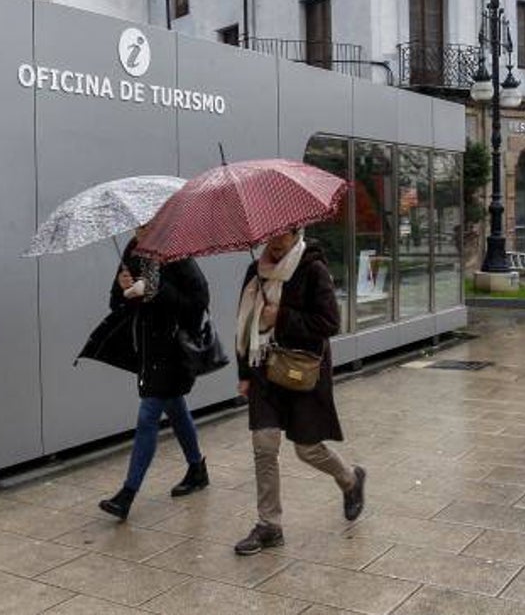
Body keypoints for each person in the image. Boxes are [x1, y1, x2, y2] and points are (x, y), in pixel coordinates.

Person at [233, 228, 364, 556]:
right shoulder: (255, 271)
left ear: (297, 234)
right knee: (264, 444)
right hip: (263, 368)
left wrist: (282, 317)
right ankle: (269, 525)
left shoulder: (312, 269)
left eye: (284, 236)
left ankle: (350, 480)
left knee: (307, 449)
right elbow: (244, 321)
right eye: (271, 236)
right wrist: (244, 373)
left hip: (300, 371)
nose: (276, 243)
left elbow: (329, 322)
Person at [97, 227, 211, 521]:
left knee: (148, 415)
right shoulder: (132, 251)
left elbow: (199, 301)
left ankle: (127, 494)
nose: (142, 231)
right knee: (174, 407)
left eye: (148, 225)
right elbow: (116, 302)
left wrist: (156, 290)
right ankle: (197, 468)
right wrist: (124, 290)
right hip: (149, 349)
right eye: (138, 226)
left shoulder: (176, 253)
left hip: (174, 349)